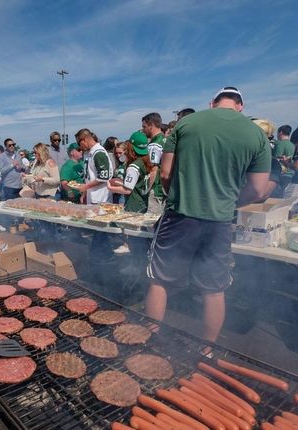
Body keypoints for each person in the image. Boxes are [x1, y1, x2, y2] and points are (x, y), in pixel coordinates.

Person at [147, 86, 270, 349]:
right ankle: (208, 349)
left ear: (212, 102)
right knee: (214, 287)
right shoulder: (256, 134)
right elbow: (259, 189)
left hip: (180, 216)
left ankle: (150, 337)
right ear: (240, 106)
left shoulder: (185, 124)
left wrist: (177, 197)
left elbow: (165, 174)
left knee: (160, 280)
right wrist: (229, 202)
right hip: (220, 221)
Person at [107, 136, 151, 214]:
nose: (118, 155)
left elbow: (127, 190)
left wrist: (110, 187)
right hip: (142, 201)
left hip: (133, 204)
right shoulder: (144, 162)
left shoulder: (134, 166)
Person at [75, 128, 113, 204]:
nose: (80, 147)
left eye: (79, 143)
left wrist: (86, 187)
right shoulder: (89, 152)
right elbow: (89, 175)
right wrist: (85, 193)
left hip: (101, 198)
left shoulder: (99, 153)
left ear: (85, 139)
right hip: (92, 197)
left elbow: (103, 177)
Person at [142, 112, 167, 216]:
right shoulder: (166, 140)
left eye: (144, 126)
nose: (143, 130)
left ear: (151, 125)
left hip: (156, 189)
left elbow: (153, 169)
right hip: (164, 188)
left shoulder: (155, 144)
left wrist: (146, 190)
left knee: (151, 223)